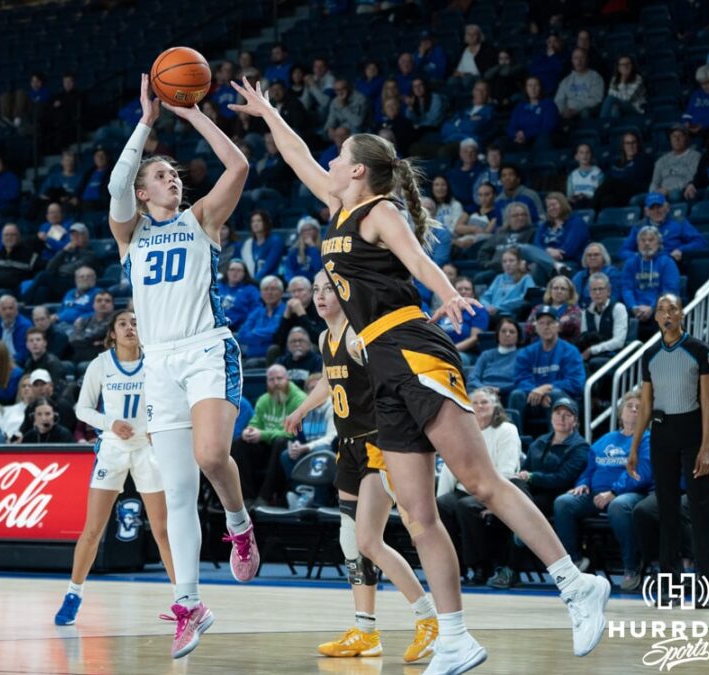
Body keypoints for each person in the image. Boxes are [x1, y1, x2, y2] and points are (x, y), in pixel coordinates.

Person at [231, 76, 610, 672]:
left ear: (359, 171)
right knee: (418, 514)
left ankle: (575, 583)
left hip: (413, 347)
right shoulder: (338, 209)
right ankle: (456, 637)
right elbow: (298, 154)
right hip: (381, 370)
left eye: (341, 157)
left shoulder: (379, 211)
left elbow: (417, 257)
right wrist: (267, 113)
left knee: (481, 481)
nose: (329, 162)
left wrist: (450, 295)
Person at [108, 74, 256, 658]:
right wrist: (147, 122)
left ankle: (239, 523)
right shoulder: (130, 234)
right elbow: (118, 184)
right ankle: (190, 603)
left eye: (175, 175)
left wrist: (192, 112)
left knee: (212, 455)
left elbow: (239, 166)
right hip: (158, 365)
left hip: (205, 348)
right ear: (144, 193)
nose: (173, 179)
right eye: (161, 176)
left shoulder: (200, 220)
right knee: (176, 492)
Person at [284, 269, 438, 662]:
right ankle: (366, 631)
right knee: (351, 542)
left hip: (377, 444)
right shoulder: (325, 337)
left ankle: (429, 620)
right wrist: (302, 408)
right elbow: (330, 382)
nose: (319, 296)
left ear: (346, 293)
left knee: (373, 539)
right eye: (315, 290)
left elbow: (392, 377)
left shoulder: (358, 336)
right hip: (348, 446)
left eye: (328, 289)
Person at [55, 309, 176, 624]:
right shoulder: (101, 365)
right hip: (112, 449)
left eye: (135, 322)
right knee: (93, 529)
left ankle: (184, 599)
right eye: (123, 323)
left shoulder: (154, 361)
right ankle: (73, 594)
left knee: (163, 530)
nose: (130, 327)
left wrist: (158, 424)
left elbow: (172, 400)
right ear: (112, 333)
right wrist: (110, 423)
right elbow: (82, 409)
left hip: (147, 450)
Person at [626, 294, 709, 608]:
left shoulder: (699, 350)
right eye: (661, 310)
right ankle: (671, 587)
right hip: (661, 433)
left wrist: (706, 448)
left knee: (700, 509)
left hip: (693, 431)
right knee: (665, 511)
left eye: (672, 309)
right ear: (655, 317)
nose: (667, 314)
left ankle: (707, 586)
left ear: (682, 314)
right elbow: (646, 405)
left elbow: (707, 402)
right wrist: (635, 447)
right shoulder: (650, 354)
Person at [632, 385, 709, 591]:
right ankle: (660, 567)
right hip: (682, 489)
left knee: (683, 507)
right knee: (643, 510)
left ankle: (694, 568)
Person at [486, 399, 590, 589]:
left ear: (575, 421)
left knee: (519, 517)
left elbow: (563, 479)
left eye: (567, 415)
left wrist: (533, 477)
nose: (561, 418)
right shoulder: (540, 442)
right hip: (532, 495)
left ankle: (510, 569)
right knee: (512, 492)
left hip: (556, 496)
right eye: (557, 414)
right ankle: (501, 566)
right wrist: (527, 477)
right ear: (551, 417)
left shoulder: (580, 447)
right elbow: (523, 472)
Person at [554, 392, 652, 587]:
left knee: (618, 506)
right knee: (564, 502)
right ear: (620, 412)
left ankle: (632, 566)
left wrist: (614, 491)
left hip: (629, 494)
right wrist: (583, 483)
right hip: (595, 494)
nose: (633, 409)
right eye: (629, 406)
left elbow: (643, 472)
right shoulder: (606, 439)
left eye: (639, 407)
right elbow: (589, 469)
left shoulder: (647, 439)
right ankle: (575, 562)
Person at [436, 387, 521, 585]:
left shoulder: (507, 430)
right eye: (476, 403)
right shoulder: (462, 431)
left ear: (495, 406)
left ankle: (481, 567)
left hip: (495, 490)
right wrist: (438, 499)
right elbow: (450, 467)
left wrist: (491, 502)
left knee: (465, 507)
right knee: (441, 506)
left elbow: (507, 471)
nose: (480, 406)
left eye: (485, 402)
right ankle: (455, 567)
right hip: (465, 489)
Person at [230, 365, 306, 503]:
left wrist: (263, 434)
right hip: (266, 447)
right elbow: (255, 421)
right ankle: (247, 498)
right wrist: (250, 430)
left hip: (291, 447)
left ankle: (265, 497)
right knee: (239, 444)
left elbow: (291, 432)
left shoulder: (300, 399)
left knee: (281, 441)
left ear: (287, 379)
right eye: (271, 380)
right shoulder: (264, 399)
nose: (276, 383)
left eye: (279, 379)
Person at [509, 305, 586, 427]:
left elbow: (576, 383)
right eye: (541, 323)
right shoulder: (527, 352)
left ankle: (557, 443)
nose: (546, 327)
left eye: (550, 323)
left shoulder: (570, 351)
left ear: (558, 326)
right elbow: (520, 379)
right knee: (516, 395)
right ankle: (515, 441)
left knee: (554, 395)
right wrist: (536, 392)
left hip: (563, 400)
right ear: (536, 327)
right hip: (534, 398)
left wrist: (548, 388)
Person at [620, 227, 680, 340]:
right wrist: (633, 307)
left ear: (658, 243)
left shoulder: (667, 263)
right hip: (635, 311)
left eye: (651, 240)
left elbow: (669, 291)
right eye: (643, 240)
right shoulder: (630, 263)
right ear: (638, 244)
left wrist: (652, 308)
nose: (646, 243)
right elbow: (626, 288)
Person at [620, 193, 708, 263]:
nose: (656, 211)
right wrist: (640, 256)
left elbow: (700, 241)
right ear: (646, 211)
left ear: (667, 207)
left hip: (673, 263)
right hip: (645, 265)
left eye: (659, 207)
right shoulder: (639, 227)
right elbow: (623, 251)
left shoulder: (679, 223)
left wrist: (681, 250)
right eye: (652, 208)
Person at [578, 273, 629, 365]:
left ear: (608, 291)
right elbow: (583, 338)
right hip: (593, 356)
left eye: (601, 289)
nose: (597, 293)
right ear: (589, 293)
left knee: (593, 363)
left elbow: (619, 342)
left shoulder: (618, 308)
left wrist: (593, 350)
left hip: (615, 355)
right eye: (594, 290)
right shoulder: (586, 313)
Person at [436, 277, 488, 365]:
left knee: (452, 359)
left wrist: (451, 350)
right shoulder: (445, 309)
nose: (463, 291)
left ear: (473, 294)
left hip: (466, 354)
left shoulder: (478, 311)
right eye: (459, 289)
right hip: (441, 351)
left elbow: (474, 338)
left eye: (467, 289)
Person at [235, 276, 285, 360]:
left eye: (273, 289)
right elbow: (241, 335)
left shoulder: (286, 310)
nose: (269, 292)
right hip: (249, 358)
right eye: (265, 289)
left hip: (274, 359)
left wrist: (253, 332)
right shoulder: (256, 312)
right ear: (261, 293)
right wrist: (264, 337)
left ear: (281, 292)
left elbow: (276, 332)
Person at [470, 316, 521, 396]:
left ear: (518, 336)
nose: (507, 334)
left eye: (512, 332)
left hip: (507, 393)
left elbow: (522, 381)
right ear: (498, 334)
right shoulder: (486, 355)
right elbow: (473, 378)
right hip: (483, 392)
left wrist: (500, 390)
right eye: (503, 331)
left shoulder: (523, 355)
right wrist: (483, 389)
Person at [524, 276, 583, 343]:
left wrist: (540, 325)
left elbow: (571, 325)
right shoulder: (539, 308)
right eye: (555, 288)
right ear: (550, 290)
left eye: (563, 289)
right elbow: (528, 327)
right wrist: (558, 323)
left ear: (570, 293)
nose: (559, 291)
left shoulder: (574, 310)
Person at [479, 246, 536, 316]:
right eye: (504, 261)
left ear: (518, 262)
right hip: (491, 314)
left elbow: (525, 299)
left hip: (510, 315)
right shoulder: (499, 278)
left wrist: (498, 308)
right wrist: (487, 306)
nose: (507, 264)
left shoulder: (526, 278)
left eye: (511, 261)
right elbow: (485, 297)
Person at [649, 126, 701, 201]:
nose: (677, 139)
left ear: (686, 138)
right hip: (662, 192)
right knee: (637, 200)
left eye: (680, 136)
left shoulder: (695, 156)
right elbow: (655, 182)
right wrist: (654, 193)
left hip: (681, 190)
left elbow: (692, 178)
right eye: (674, 136)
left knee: (675, 195)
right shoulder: (662, 160)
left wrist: (669, 190)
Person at [0, 295, 32, 363]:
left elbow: (25, 352)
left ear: (16, 310)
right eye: (4, 309)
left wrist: (5, 361)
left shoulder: (26, 326)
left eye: (11, 308)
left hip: (18, 364)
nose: (8, 312)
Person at [240, 210, 285, 282]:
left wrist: (253, 281)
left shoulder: (275, 241)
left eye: (259, 221)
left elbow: (268, 266)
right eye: (253, 221)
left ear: (266, 223)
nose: (255, 224)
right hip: (253, 281)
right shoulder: (249, 243)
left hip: (270, 281)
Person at [572, 243, 621, 307]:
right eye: (589, 255)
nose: (592, 257)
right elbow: (571, 297)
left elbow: (614, 298)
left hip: (605, 310)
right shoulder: (579, 276)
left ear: (603, 257)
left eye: (596, 255)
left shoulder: (612, 273)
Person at [600, 55, 646, 119]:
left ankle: (602, 123)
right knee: (614, 109)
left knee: (610, 99)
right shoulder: (614, 79)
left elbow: (627, 99)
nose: (625, 67)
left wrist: (623, 82)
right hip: (619, 107)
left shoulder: (638, 79)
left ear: (632, 66)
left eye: (628, 64)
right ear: (618, 68)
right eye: (622, 65)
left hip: (635, 110)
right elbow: (611, 93)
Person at [219, 260, 260, 329]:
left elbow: (257, 309)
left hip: (238, 328)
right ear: (227, 272)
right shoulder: (218, 287)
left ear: (244, 273)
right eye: (232, 270)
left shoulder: (251, 290)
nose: (235, 273)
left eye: (239, 270)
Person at [282, 216, 323, 282]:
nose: (307, 232)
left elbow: (318, 269)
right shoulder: (294, 250)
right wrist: (292, 282)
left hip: (316, 283)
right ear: (300, 233)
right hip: (297, 284)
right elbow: (288, 270)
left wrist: (312, 247)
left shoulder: (323, 249)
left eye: (310, 229)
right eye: (304, 230)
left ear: (316, 231)